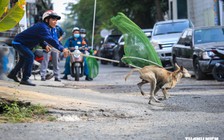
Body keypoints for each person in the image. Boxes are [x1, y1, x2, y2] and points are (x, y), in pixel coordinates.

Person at [7, 10, 69, 86]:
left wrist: (45, 46)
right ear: (46, 19)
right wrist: (62, 49)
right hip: (19, 43)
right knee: (30, 56)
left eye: (56, 20)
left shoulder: (50, 28)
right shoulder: (42, 27)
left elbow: (46, 39)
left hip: (25, 45)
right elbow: (50, 39)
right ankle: (25, 79)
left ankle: (12, 74)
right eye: (53, 19)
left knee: (23, 60)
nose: (55, 22)